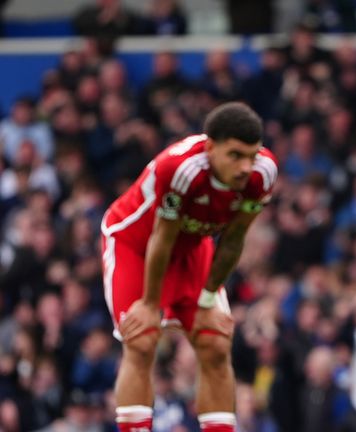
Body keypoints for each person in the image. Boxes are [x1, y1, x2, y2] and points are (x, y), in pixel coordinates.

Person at [100, 102, 278, 432]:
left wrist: (209, 299)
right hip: (135, 244)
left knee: (215, 342)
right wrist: (151, 305)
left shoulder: (262, 173)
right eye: (235, 155)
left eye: (251, 156)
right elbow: (161, 238)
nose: (245, 167)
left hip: (192, 247)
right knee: (141, 340)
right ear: (210, 147)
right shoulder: (180, 168)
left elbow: (235, 237)